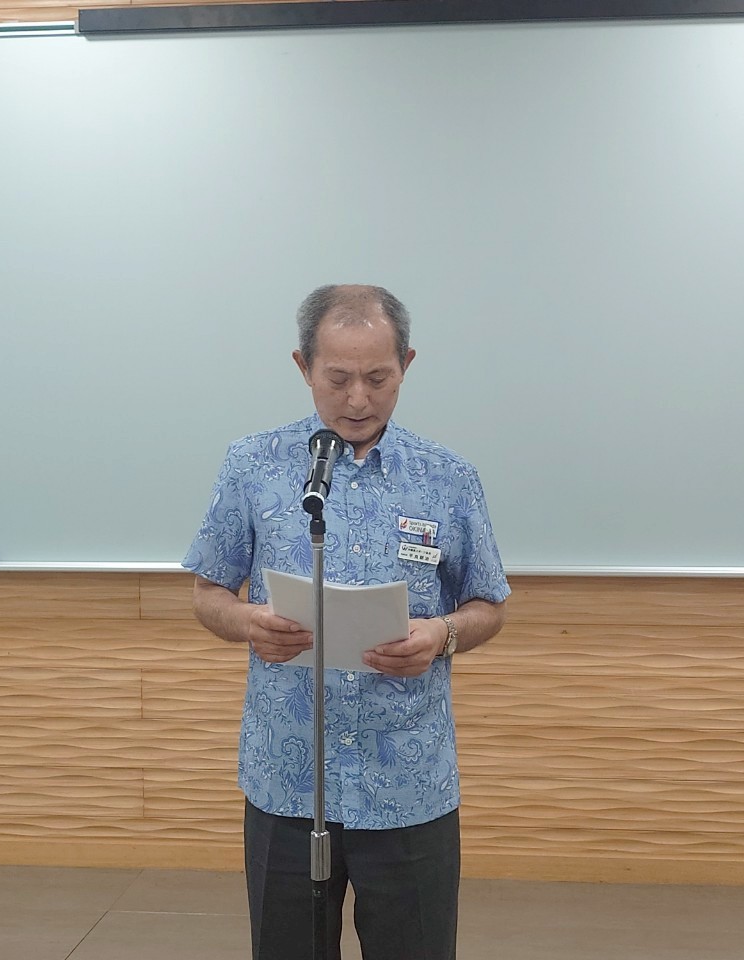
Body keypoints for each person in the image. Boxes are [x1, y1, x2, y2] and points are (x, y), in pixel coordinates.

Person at [183, 284, 510, 960]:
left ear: (407, 364)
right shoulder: (253, 465)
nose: (358, 399)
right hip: (288, 777)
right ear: (303, 366)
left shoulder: (448, 478)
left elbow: (488, 604)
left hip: (409, 783)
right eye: (337, 379)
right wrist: (248, 621)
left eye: (378, 378)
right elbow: (208, 591)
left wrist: (442, 635)